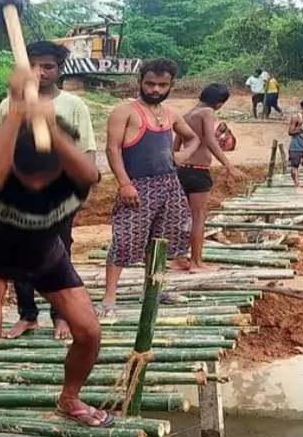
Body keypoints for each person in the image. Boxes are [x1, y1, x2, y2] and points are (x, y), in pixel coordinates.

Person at [0, 67, 110, 437]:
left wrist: (49, 125)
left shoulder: (74, 178)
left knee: (89, 332)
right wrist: (16, 110)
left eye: (46, 178)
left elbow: (91, 171)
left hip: (46, 258)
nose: (38, 187)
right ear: (16, 169)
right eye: (29, 178)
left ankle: (70, 399)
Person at [0, 41, 97, 342]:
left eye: (49, 66)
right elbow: (3, 149)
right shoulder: (9, 106)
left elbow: (88, 149)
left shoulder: (73, 106)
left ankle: (61, 316)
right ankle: (28, 315)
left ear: (59, 70)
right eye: (35, 66)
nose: (41, 73)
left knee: (59, 252)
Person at [100, 58, 201, 315]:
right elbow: (112, 149)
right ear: (140, 82)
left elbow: (193, 138)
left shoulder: (171, 114)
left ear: (171, 85)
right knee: (124, 240)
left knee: (161, 240)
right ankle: (109, 297)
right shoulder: (125, 111)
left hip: (169, 185)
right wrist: (124, 183)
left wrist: (181, 156)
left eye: (162, 85)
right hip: (137, 186)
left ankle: (153, 288)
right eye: (150, 83)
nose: (155, 89)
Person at [177, 83, 243, 273]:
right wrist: (229, 166)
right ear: (219, 103)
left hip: (182, 170)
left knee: (184, 216)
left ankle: (180, 257)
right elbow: (211, 141)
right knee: (199, 217)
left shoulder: (186, 115)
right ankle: (196, 263)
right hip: (198, 170)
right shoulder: (207, 112)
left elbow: (176, 145)